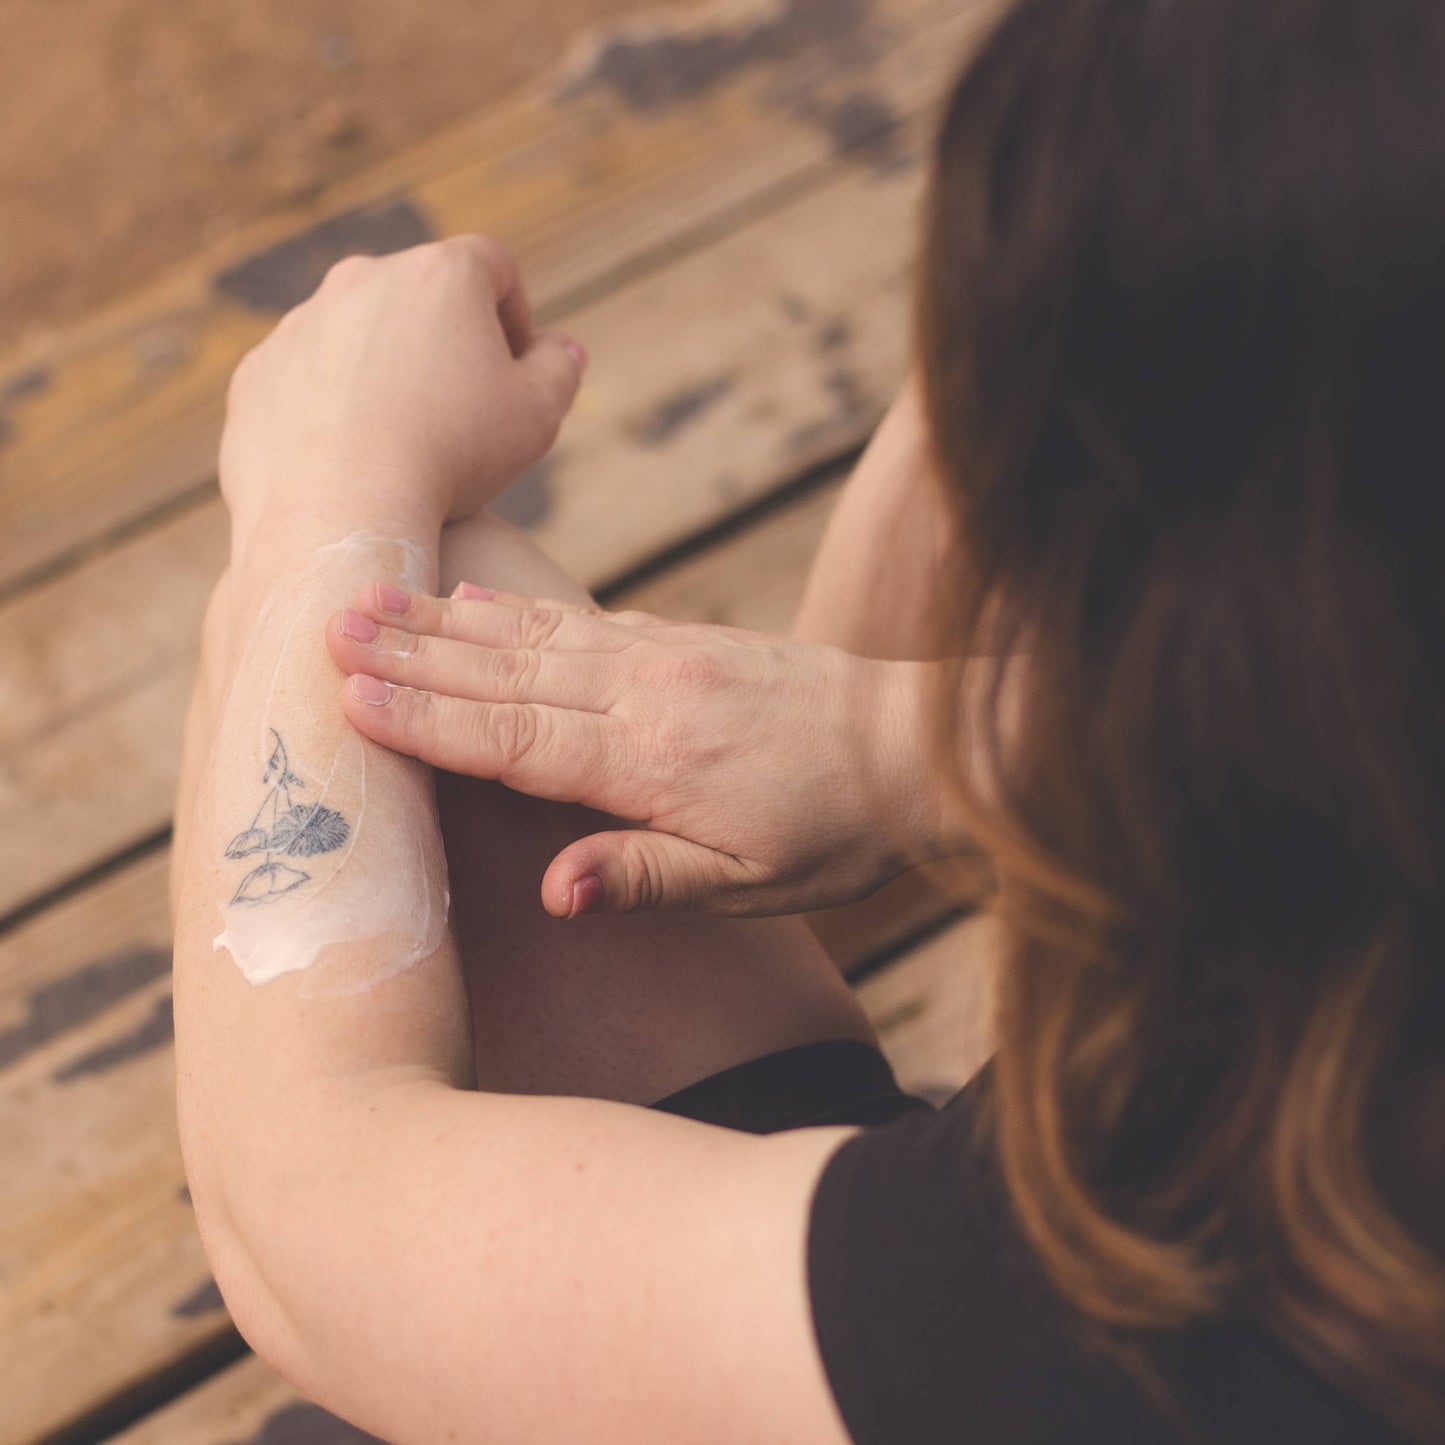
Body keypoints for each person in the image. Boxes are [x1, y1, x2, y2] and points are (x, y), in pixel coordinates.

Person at [170, 0, 1445, 1439]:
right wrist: (924, 753)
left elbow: (316, 1226)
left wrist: (320, 496)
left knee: (389, 642)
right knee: (463, 656)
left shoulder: (1191, 1268)